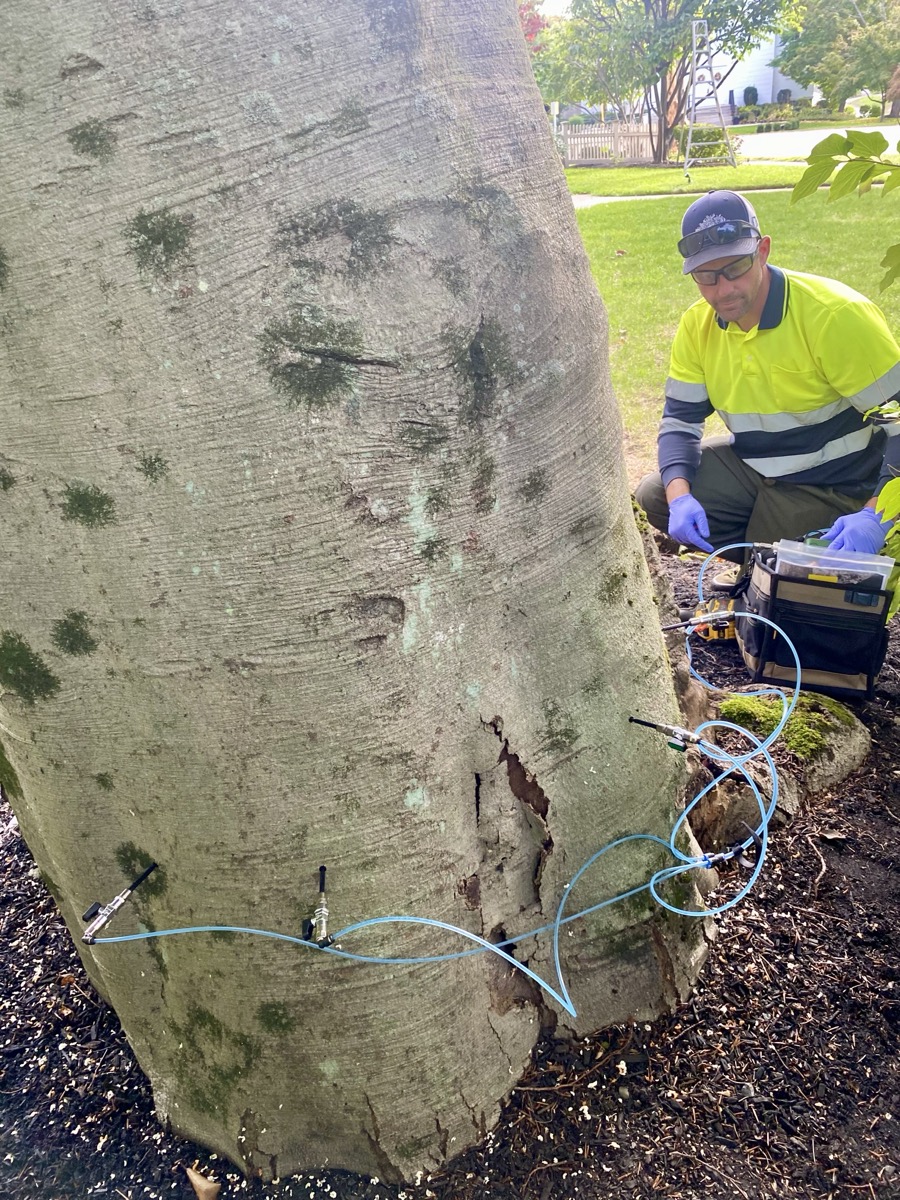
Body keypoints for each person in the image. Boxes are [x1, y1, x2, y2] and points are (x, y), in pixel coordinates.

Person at [635, 189, 900, 568]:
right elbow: (679, 423)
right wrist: (680, 499)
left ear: (763, 251)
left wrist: (877, 516)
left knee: (773, 574)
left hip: (838, 483)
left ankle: (791, 556)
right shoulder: (697, 325)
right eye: (706, 276)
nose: (724, 289)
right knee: (655, 494)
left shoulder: (836, 316)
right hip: (759, 466)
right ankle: (776, 555)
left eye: (736, 267)